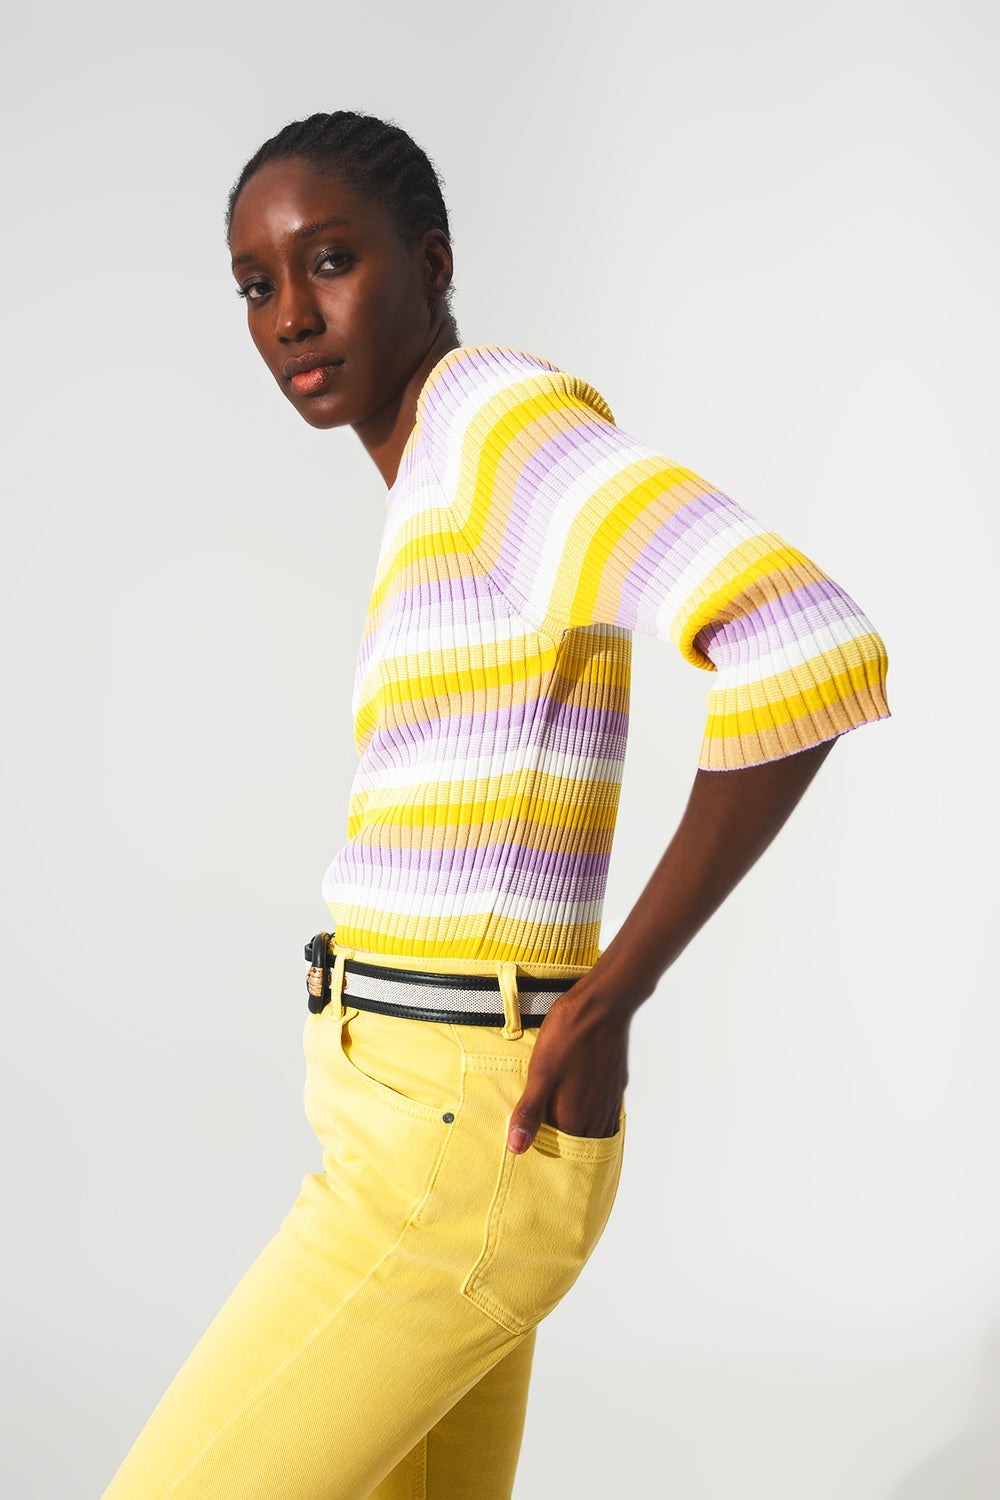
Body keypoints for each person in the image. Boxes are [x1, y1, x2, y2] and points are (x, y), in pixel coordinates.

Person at [100, 110, 891, 1500]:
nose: (290, 317)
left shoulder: (493, 426)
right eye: (256, 285)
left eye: (328, 261)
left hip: (458, 1135)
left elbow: (805, 639)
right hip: (413, 1113)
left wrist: (613, 994)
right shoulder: (441, 470)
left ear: (431, 261)